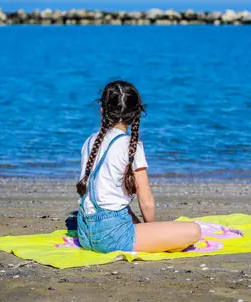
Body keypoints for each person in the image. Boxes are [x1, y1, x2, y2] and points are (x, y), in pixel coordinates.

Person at [76, 80, 201, 253]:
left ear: (102, 110)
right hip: (112, 237)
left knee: (121, 207)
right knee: (194, 230)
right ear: (136, 115)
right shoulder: (130, 145)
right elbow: (146, 200)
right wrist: (153, 230)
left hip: (85, 233)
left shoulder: (90, 141)